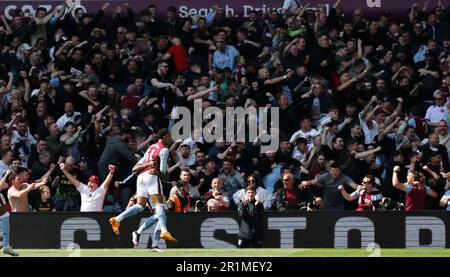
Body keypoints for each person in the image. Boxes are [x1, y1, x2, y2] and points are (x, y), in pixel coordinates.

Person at [109, 128, 177, 248]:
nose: (171, 139)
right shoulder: (164, 150)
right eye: (170, 136)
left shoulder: (151, 148)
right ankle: (164, 231)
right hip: (152, 178)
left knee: (142, 206)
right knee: (160, 207)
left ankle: (118, 219)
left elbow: (135, 168)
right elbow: (163, 173)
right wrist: (160, 173)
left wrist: (148, 165)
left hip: (140, 178)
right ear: (165, 136)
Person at [0, 170, 19, 256]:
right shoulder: (5, 182)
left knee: (5, 216)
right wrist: (7, 173)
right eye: (10, 175)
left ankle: (6, 245)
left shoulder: (10, 183)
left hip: (3, 203)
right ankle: (6, 245)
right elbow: (1, 185)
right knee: (5, 216)